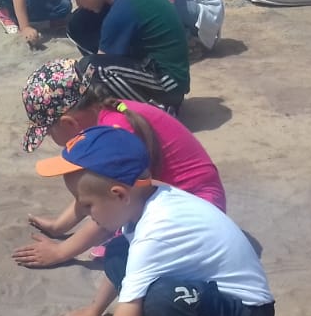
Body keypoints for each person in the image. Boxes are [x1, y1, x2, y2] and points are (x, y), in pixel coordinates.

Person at [40, 127, 274, 316]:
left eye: (86, 205)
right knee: (118, 253)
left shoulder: (157, 230)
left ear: (119, 195)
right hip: (217, 305)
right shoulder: (148, 198)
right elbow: (128, 268)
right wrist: (95, 310)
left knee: (163, 300)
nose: (83, 214)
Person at [13, 58, 227, 269]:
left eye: (49, 133)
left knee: (121, 253)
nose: (51, 138)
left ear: (68, 123)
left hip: (197, 208)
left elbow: (109, 203)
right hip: (171, 196)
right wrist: (59, 226)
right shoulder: (105, 116)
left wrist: (61, 251)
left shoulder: (116, 132)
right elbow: (90, 191)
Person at [55, 0, 191, 111]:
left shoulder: (124, 8)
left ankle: (154, 109)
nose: (78, 3)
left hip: (169, 86)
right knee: (79, 23)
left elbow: (98, 66)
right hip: (154, 70)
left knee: (93, 69)